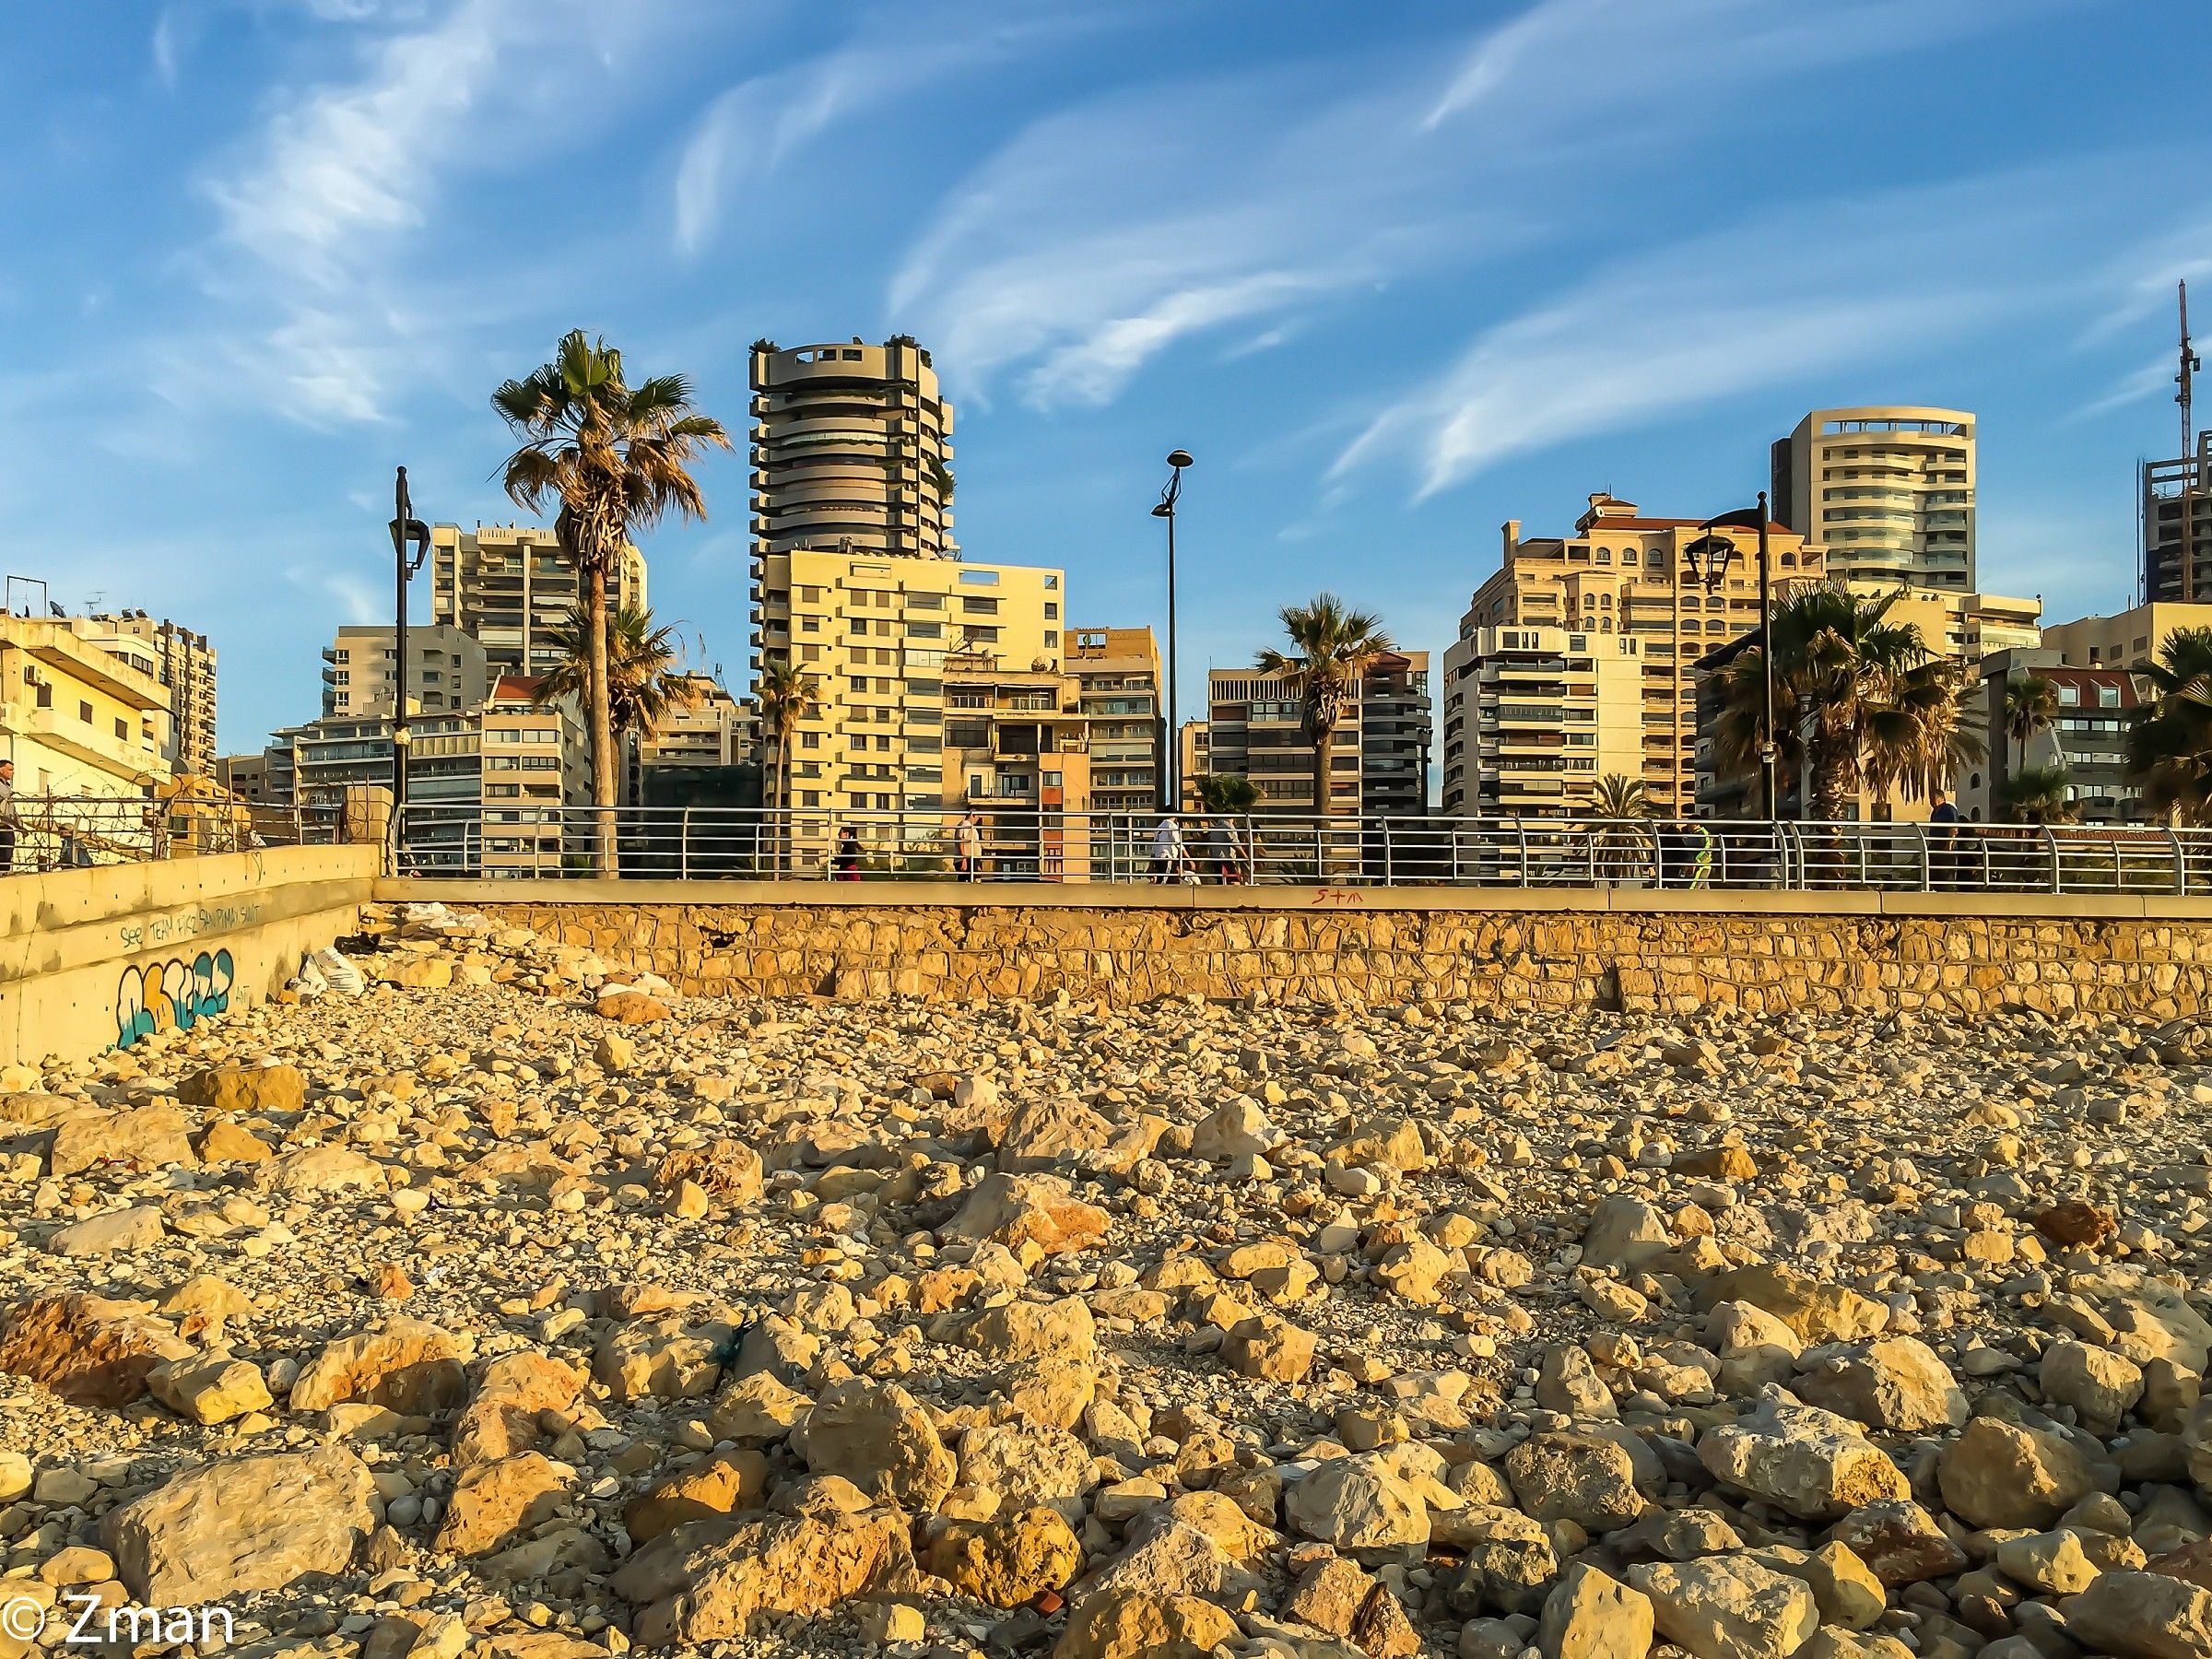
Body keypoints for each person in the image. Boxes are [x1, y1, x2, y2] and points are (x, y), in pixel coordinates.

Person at [1928, 788, 1962, 888]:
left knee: (1945, 872)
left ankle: (1948, 892)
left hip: (1945, 842)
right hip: (1935, 843)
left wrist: (1949, 843)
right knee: (1934, 872)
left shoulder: (1948, 808)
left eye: (1935, 798)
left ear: (1942, 798)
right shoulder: (1934, 812)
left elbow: (1954, 827)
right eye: (1931, 798)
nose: (1932, 801)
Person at [1148, 815, 1187, 883]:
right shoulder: (1171, 825)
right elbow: (1177, 842)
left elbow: (1154, 847)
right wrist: (1188, 858)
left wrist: (1151, 862)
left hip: (1159, 857)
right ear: (1174, 816)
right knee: (1167, 881)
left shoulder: (1159, 827)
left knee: (1166, 879)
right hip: (1167, 857)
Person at [1206, 817, 1245, 885]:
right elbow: (1236, 844)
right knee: (1233, 881)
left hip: (1216, 859)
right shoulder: (1228, 827)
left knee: (1221, 881)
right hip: (1225, 859)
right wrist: (1246, 857)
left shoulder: (1216, 828)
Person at [952, 813, 983, 882]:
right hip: (968, 858)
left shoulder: (967, 825)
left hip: (970, 858)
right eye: (977, 816)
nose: (978, 819)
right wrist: (964, 859)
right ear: (973, 815)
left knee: (970, 879)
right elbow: (961, 841)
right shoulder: (966, 824)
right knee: (970, 880)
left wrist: (977, 864)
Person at [0, 759, 18, 876]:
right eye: (10, 769)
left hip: (8, 824)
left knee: (7, 851)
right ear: (1, 770)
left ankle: (4, 872)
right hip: (2, 824)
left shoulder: (7, 786)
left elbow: (12, 808)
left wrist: (19, 824)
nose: (12, 772)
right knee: (4, 851)